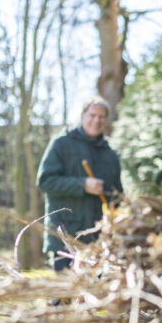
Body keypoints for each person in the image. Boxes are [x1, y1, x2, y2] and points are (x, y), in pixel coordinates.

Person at [37, 96, 124, 271]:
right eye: (92, 115)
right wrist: (82, 185)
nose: (96, 120)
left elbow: (117, 196)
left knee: (94, 294)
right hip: (66, 235)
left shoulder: (110, 155)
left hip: (97, 238)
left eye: (101, 117)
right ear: (83, 115)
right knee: (65, 295)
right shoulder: (61, 144)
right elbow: (45, 181)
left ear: (106, 120)